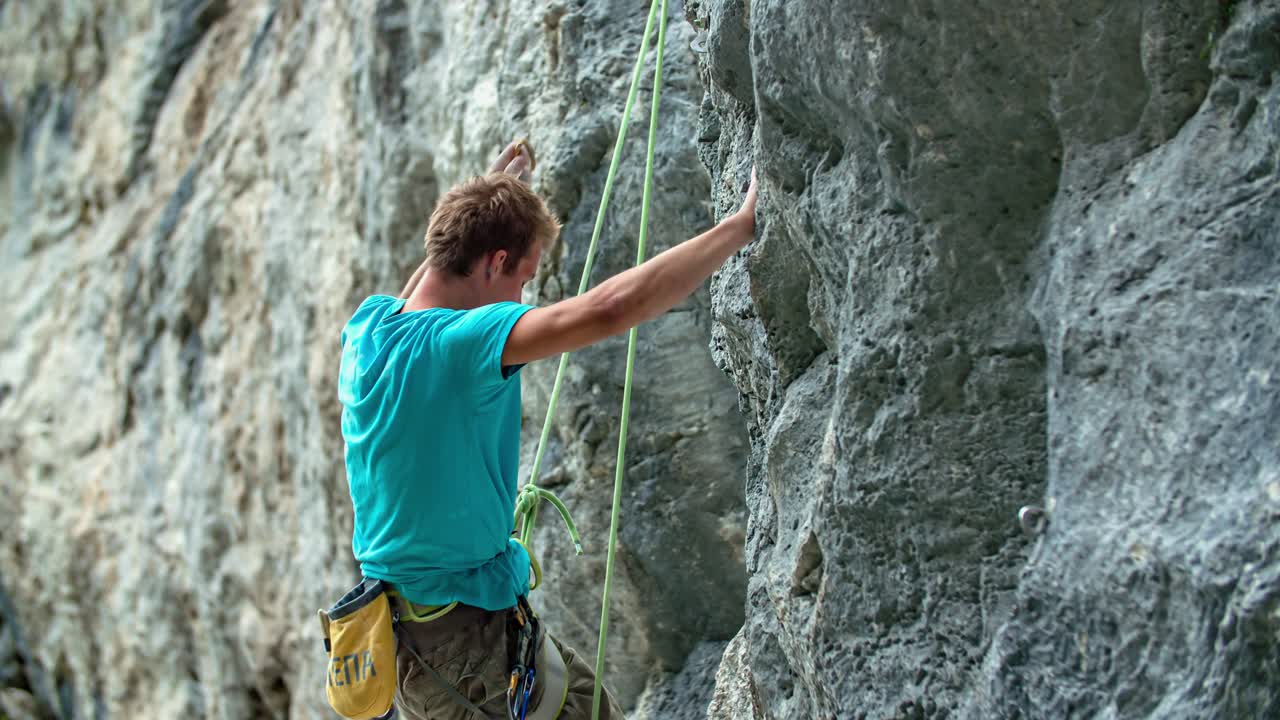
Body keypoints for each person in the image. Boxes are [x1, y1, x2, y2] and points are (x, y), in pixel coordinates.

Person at [337, 140, 758, 720]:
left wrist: (487, 194)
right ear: (494, 263)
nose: (520, 299)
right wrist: (739, 227)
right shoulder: (461, 344)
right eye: (523, 279)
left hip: (438, 636)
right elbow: (608, 309)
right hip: (465, 647)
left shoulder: (368, 331)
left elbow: (431, 279)